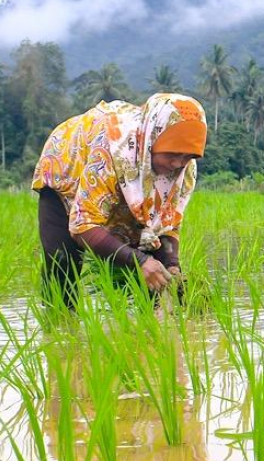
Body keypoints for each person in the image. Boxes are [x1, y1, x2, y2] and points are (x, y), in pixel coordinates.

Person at [32, 93, 206, 309]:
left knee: (151, 272)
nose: (177, 163)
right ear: (151, 140)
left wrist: (171, 266)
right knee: (63, 264)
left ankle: (143, 336)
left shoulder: (184, 168)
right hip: (65, 168)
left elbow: (168, 222)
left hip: (124, 174)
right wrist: (139, 261)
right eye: (172, 154)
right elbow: (83, 225)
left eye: (188, 157)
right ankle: (60, 330)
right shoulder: (111, 150)